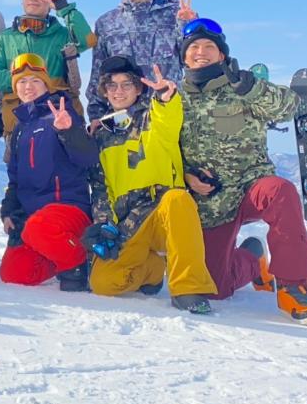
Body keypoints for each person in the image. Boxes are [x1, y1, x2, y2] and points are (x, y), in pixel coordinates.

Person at [178, 18, 307, 326]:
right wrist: (186, 175)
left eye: (209, 47)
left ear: (222, 55)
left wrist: (251, 88)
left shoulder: (243, 87)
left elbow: (289, 106)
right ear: (183, 56)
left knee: (280, 191)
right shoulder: (174, 97)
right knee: (217, 288)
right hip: (210, 204)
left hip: (250, 189)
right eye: (194, 47)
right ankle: (253, 258)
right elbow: (164, 148)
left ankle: (293, 286)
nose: (201, 52)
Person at [83, 56, 216, 315]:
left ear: (139, 88)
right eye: (112, 86)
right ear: (105, 92)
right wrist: (103, 224)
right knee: (103, 283)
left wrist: (166, 96)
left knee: (178, 199)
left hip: (164, 213)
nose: (119, 91)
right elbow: (100, 188)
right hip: (131, 221)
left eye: (126, 85)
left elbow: (167, 116)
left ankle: (187, 289)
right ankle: (152, 269)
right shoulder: (100, 135)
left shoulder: (153, 118)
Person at [0, 54, 98, 291]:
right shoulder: (20, 127)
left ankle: (79, 262)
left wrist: (69, 131)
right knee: (14, 273)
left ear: (46, 84)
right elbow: (15, 179)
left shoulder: (62, 114)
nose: (28, 86)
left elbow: (87, 158)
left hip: (68, 210)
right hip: (35, 217)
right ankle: (59, 255)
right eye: (21, 82)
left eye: (35, 80)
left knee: (38, 228)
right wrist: (9, 211)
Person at [85, 0, 197, 119]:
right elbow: (98, 74)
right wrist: (96, 116)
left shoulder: (176, 12)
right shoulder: (106, 22)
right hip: (126, 119)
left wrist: (189, 25)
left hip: (170, 112)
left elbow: (192, 60)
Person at [0, 0, 95, 139]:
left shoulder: (62, 35)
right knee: (20, 163)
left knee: (67, 161)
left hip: (61, 116)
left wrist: (64, 9)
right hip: (17, 119)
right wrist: (21, 80)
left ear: (51, 2)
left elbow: (87, 40)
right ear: (22, 0)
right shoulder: (5, 38)